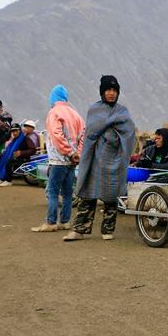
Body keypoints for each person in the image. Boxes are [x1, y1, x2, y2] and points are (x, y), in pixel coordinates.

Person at [63, 75, 135, 242]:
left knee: (111, 195)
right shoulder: (94, 110)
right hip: (94, 159)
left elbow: (129, 133)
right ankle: (79, 230)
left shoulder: (122, 112)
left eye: (114, 90)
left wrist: (111, 137)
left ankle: (108, 229)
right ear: (102, 92)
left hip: (114, 158)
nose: (111, 93)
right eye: (108, 90)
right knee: (88, 193)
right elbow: (90, 134)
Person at [31, 85, 85, 233]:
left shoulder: (54, 113)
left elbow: (56, 135)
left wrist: (69, 152)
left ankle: (51, 222)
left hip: (58, 160)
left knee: (52, 192)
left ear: (53, 98)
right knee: (67, 193)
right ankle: (65, 222)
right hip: (72, 161)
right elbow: (83, 135)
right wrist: (77, 154)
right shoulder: (75, 114)